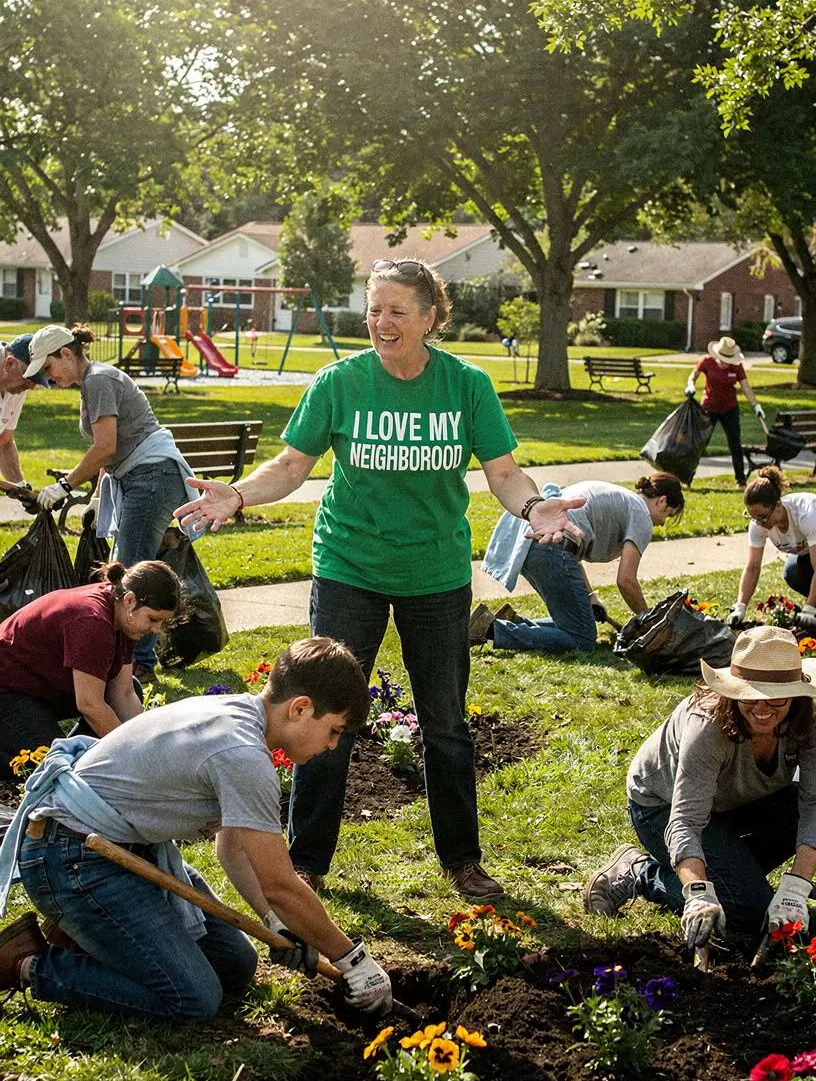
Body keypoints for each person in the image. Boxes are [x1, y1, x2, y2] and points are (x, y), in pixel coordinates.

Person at [174, 257, 584, 900]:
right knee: (323, 713)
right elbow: (292, 465)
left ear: (429, 316)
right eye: (374, 310)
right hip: (349, 568)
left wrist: (533, 506)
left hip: (435, 573)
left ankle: (462, 859)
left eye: (396, 311)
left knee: (445, 723)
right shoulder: (340, 383)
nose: (381, 322)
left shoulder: (466, 385)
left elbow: (504, 473)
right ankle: (307, 863)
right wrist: (240, 493)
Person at [0, 637, 392, 1022]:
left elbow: (233, 850)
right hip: (69, 857)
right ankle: (26, 963)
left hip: (118, 849)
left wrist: (276, 921)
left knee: (235, 963)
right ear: (301, 708)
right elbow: (280, 885)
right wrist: (352, 960)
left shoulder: (241, 719)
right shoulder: (242, 754)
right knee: (192, 998)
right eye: (335, 730)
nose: (333, 745)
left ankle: (92, 935)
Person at [583, 627, 816, 950]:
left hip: (734, 802)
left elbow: (813, 804)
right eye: (749, 695)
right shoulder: (708, 724)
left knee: (759, 864)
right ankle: (641, 873)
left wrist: (796, 888)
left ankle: (732, 876)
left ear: (795, 694)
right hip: (661, 805)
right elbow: (685, 820)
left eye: (776, 697)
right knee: (745, 909)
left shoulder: (807, 723)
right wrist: (698, 893)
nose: (762, 708)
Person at [25, 324, 198, 682]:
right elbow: (109, 450)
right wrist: (97, 496)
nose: (48, 378)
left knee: (133, 577)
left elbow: (105, 446)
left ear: (67, 353)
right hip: (143, 476)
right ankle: (130, 662)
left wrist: (65, 486)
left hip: (151, 478)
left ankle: (139, 667)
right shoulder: (93, 381)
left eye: (49, 368)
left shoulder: (98, 381)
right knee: (131, 569)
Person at [0, 560, 181, 778]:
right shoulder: (93, 620)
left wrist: (147, 747)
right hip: (7, 691)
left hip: (36, 688)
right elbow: (89, 704)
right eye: (153, 619)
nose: (156, 629)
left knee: (132, 688)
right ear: (130, 600)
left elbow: (123, 694)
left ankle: (86, 757)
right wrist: (133, 755)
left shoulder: (123, 617)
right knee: (58, 766)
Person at [472, 474, 685, 653]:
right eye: (668, 515)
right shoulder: (641, 515)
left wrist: (591, 597)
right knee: (582, 639)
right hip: (549, 546)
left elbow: (571, 554)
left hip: (532, 544)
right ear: (662, 501)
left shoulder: (623, 497)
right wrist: (651, 624)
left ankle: (515, 622)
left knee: (577, 623)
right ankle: (491, 628)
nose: (662, 523)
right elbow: (626, 581)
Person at [727, 465, 816, 633]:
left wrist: (810, 608)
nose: (759, 523)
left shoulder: (807, 515)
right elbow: (753, 567)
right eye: (753, 517)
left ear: (778, 505)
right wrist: (740, 606)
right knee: (793, 571)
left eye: (762, 517)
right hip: (807, 554)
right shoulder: (758, 522)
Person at [684, 334, 765, 488]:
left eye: (728, 360)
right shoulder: (707, 361)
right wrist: (690, 385)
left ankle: (741, 481)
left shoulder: (736, 367)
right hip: (709, 408)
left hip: (730, 409)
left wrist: (756, 405)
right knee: (700, 444)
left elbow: (745, 387)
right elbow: (693, 376)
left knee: (735, 444)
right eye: (723, 360)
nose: (725, 363)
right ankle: (687, 479)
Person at [0, 334, 47, 486]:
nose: (32, 386)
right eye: (29, 378)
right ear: (9, 363)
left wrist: (20, 487)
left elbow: (4, 442)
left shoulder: (16, 384)